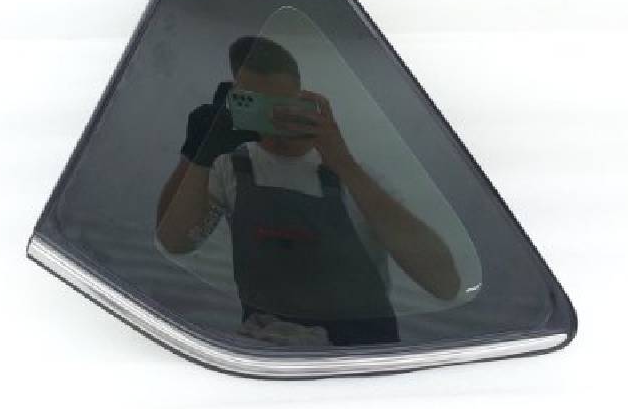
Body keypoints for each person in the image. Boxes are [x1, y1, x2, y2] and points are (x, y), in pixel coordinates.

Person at [156, 36, 460, 346]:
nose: (273, 116)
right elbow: (177, 242)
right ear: (234, 101)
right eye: (254, 103)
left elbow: (443, 282)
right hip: (265, 352)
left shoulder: (355, 177)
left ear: (307, 101)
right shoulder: (229, 168)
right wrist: (198, 153)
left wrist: (342, 162)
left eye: (282, 105)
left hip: (357, 357)